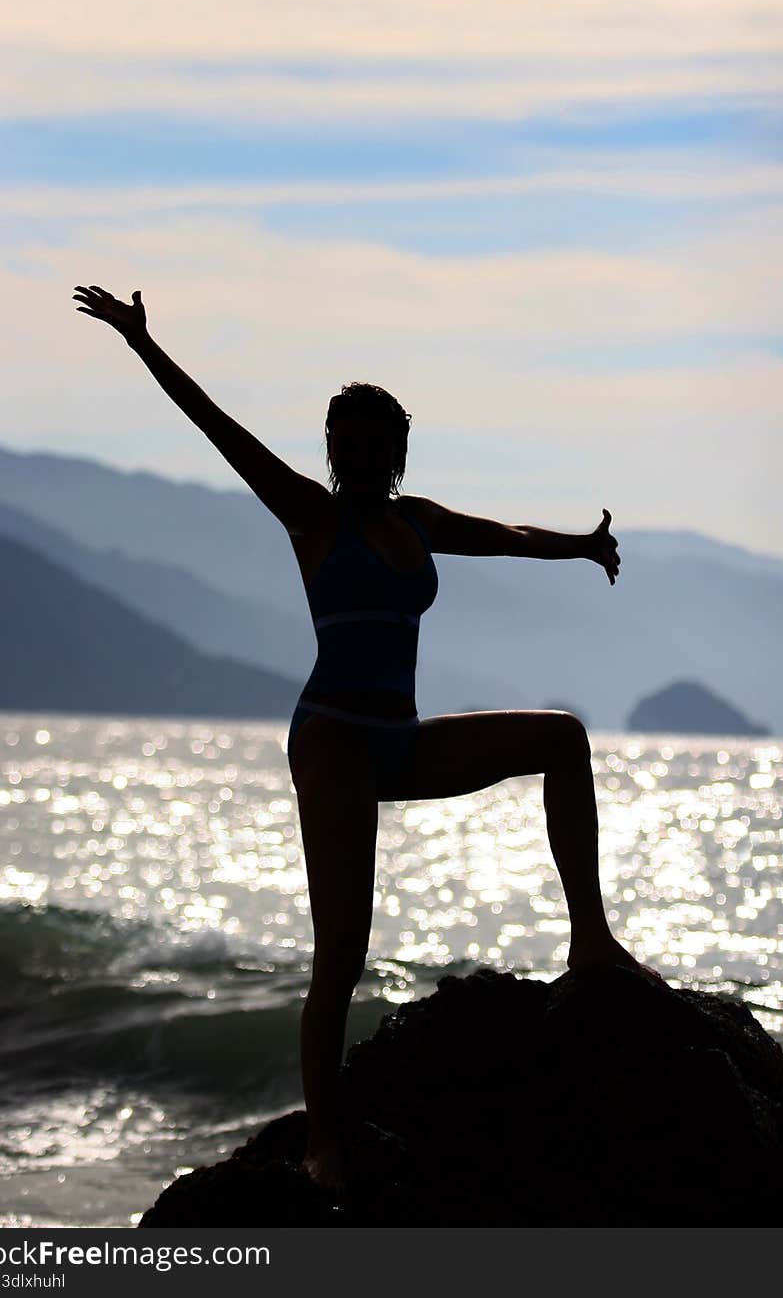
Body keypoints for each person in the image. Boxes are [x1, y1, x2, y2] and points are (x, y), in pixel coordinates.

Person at [73, 284, 663, 1200]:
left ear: (393, 453)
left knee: (563, 739)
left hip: (400, 737)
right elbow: (214, 426)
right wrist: (144, 344)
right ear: (330, 453)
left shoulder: (414, 521)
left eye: (368, 445)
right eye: (339, 443)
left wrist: (582, 547)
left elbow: (501, 534)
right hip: (335, 744)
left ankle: (590, 938)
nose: (351, 456)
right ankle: (323, 1142)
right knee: (340, 953)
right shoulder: (309, 511)